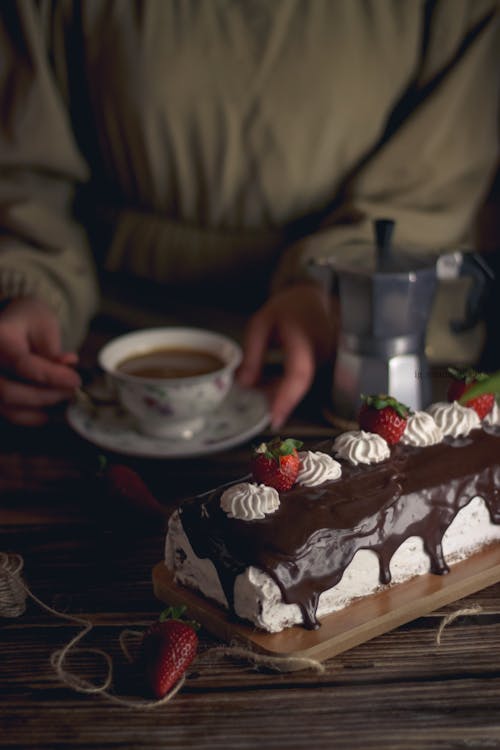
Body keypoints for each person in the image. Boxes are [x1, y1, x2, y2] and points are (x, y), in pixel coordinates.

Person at [0, 0, 498, 429]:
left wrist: (328, 292)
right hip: (95, 354)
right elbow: (24, 174)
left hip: (336, 372)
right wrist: (32, 288)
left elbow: (430, 181)